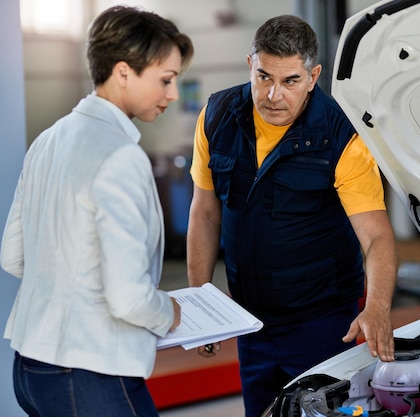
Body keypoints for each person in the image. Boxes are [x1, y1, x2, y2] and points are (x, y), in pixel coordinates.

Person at [187, 14, 398, 417]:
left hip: (322, 322)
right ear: (250, 63)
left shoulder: (341, 137)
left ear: (313, 75)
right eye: (264, 77)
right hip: (251, 320)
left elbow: (376, 237)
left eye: (290, 82)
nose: (273, 95)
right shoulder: (217, 116)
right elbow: (205, 212)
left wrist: (378, 307)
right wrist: (200, 299)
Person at [0, 6, 194, 417]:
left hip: (30, 370)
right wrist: (168, 311)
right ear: (123, 72)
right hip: (89, 373)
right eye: (166, 80)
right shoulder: (120, 156)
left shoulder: (48, 140)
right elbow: (129, 298)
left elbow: (13, 256)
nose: (173, 94)